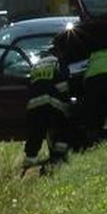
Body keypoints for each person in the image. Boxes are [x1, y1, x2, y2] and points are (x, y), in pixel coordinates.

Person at [22, 41, 72, 170]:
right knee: (63, 127)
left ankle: (29, 161)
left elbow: (30, 85)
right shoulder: (58, 62)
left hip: (33, 105)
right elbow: (63, 86)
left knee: (36, 133)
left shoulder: (36, 65)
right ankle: (58, 157)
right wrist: (67, 103)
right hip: (51, 103)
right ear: (58, 53)